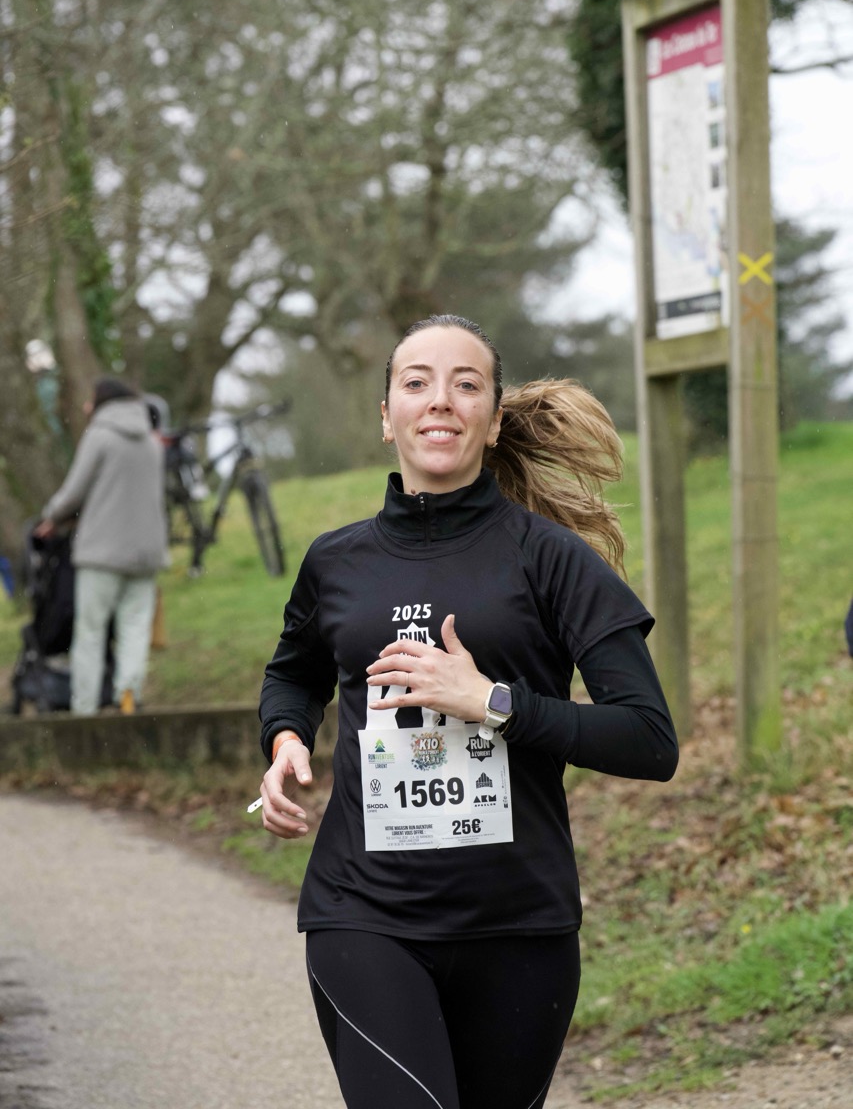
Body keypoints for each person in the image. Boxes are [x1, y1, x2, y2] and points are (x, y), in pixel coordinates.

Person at [257, 314, 678, 1109]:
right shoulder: (335, 562)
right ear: (387, 417)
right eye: (416, 383)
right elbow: (294, 674)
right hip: (363, 912)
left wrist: (491, 702)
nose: (439, 400)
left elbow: (649, 739)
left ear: (491, 421)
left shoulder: (552, 559)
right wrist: (284, 741)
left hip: (518, 926)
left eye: (465, 384)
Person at [35, 377, 169, 716]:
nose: (85, 406)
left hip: (103, 552)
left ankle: (85, 709)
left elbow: (74, 491)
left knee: (91, 632)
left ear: (102, 402)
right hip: (146, 553)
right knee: (135, 628)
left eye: (89, 399)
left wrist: (51, 516)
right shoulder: (152, 442)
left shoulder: (99, 436)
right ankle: (128, 700)